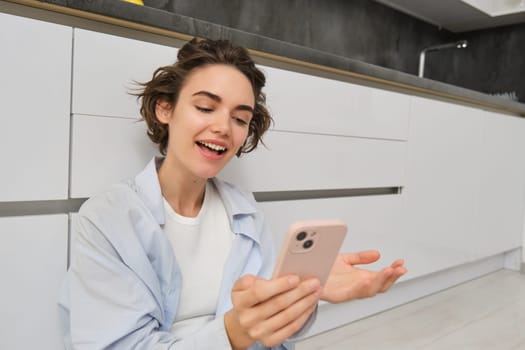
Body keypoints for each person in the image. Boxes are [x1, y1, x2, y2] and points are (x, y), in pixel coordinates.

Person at [58, 38, 407, 350]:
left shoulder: (244, 212)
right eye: (206, 107)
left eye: (240, 119)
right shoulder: (108, 219)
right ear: (165, 109)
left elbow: (275, 340)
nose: (223, 128)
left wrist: (304, 293)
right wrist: (234, 333)